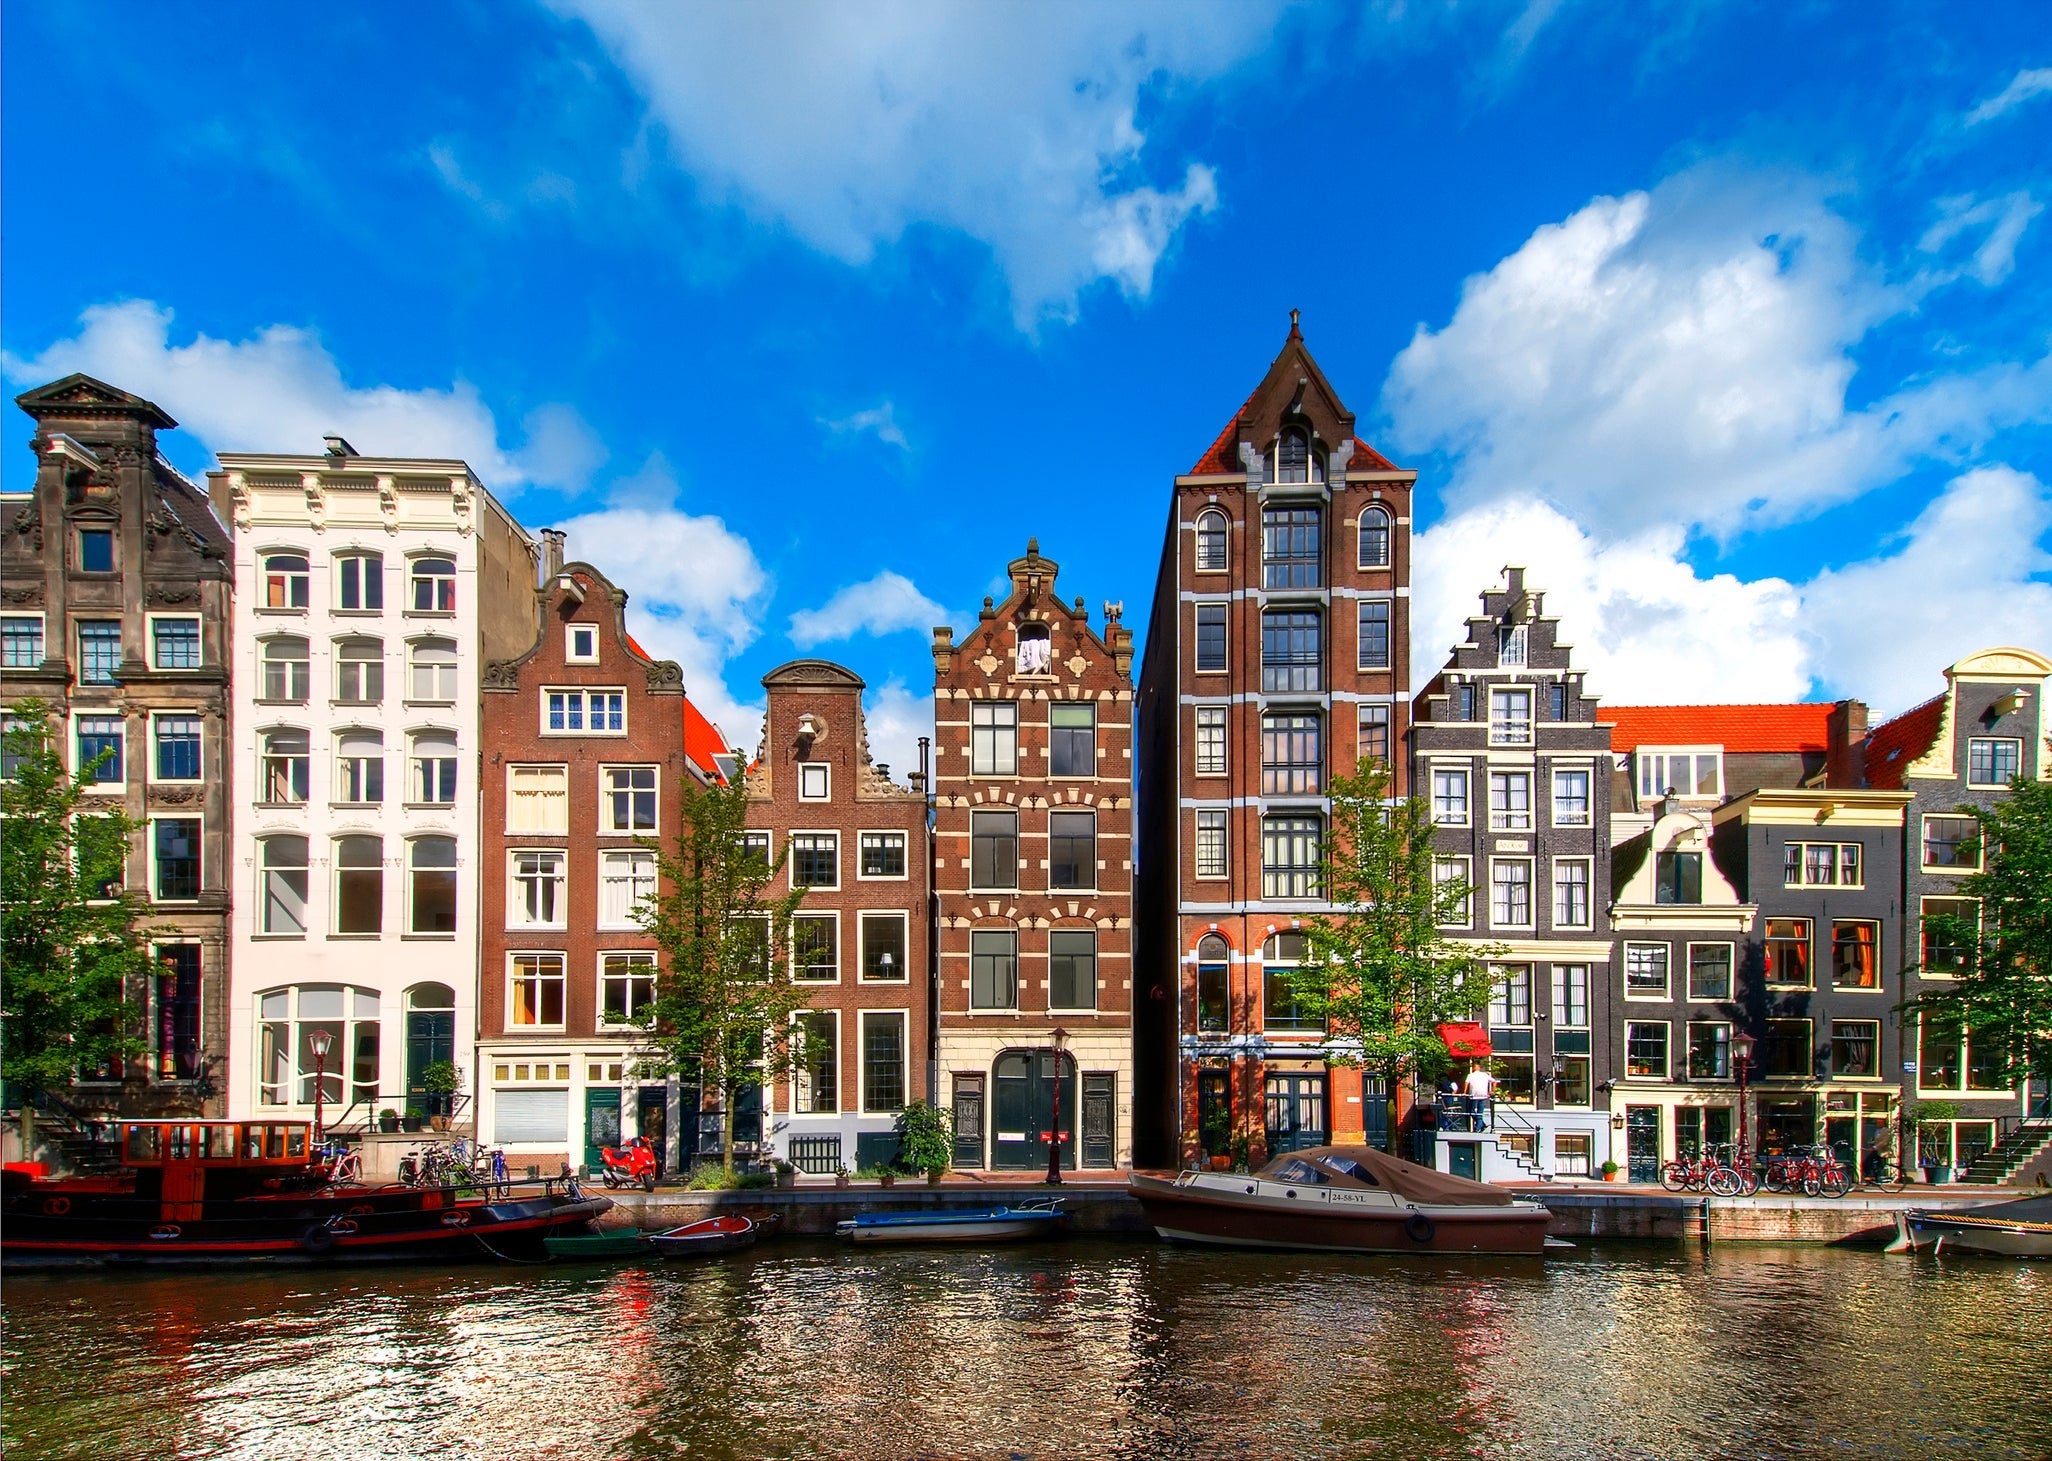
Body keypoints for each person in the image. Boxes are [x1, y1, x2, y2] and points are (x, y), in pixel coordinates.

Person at [1463, 1064, 1498, 1132]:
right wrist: (1492, 1091)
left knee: (1472, 1111)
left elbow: (1466, 1083)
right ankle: (1481, 1125)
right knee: (1479, 1112)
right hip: (1483, 1095)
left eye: (1474, 1067)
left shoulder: (1471, 1075)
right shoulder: (1484, 1075)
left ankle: (1478, 1128)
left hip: (1474, 1095)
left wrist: (1464, 1092)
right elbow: (1494, 1081)